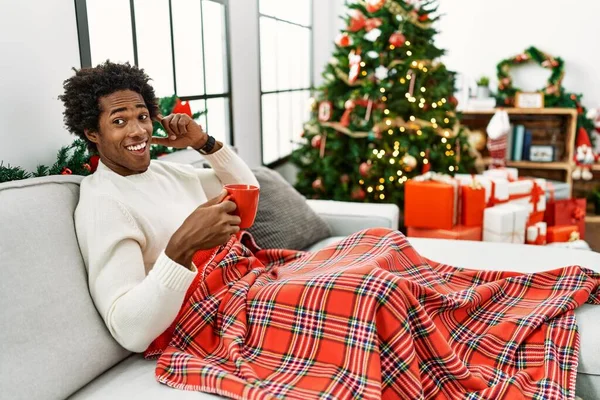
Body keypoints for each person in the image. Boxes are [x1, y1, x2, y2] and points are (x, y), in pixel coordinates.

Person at [60, 61, 259, 352]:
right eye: (119, 121)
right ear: (92, 132)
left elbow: (246, 189)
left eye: (142, 116)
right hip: (210, 320)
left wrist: (203, 142)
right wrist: (182, 247)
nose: (138, 131)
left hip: (246, 286)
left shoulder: (166, 173)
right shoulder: (104, 204)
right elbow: (130, 332)